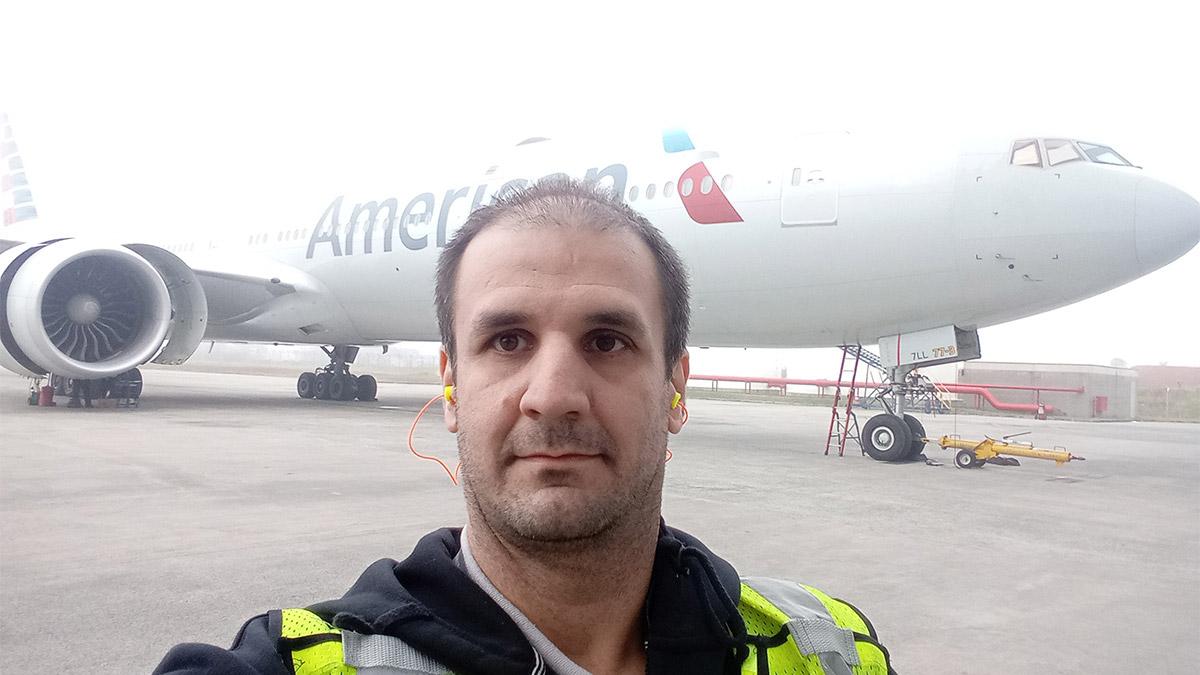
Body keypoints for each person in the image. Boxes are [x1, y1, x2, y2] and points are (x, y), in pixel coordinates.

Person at [154, 179, 895, 674]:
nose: (552, 395)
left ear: (675, 387)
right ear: (450, 385)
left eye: (607, 340)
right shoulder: (300, 661)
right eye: (507, 340)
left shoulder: (827, 647)